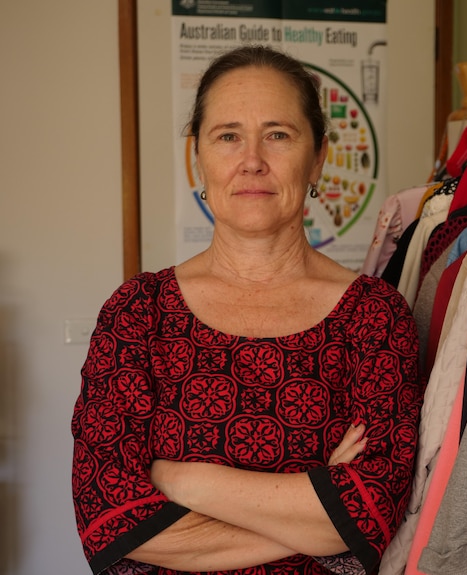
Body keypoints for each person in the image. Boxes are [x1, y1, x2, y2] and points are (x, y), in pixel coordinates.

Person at [71, 45, 422, 575]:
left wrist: (180, 480)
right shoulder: (137, 314)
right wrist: (314, 513)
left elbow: (372, 515)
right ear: (198, 157)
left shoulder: (374, 317)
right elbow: (108, 519)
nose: (252, 159)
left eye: (278, 135)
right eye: (228, 135)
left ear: (319, 156)